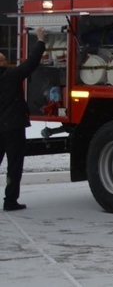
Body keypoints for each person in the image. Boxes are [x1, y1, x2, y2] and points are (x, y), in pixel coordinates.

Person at [0, 26, 46, 211]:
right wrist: (41, 41)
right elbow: (31, 63)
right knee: (14, 165)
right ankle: (10, 201)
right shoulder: (10, 76)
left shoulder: (9, 75)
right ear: (3, 64)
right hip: (13, 128)